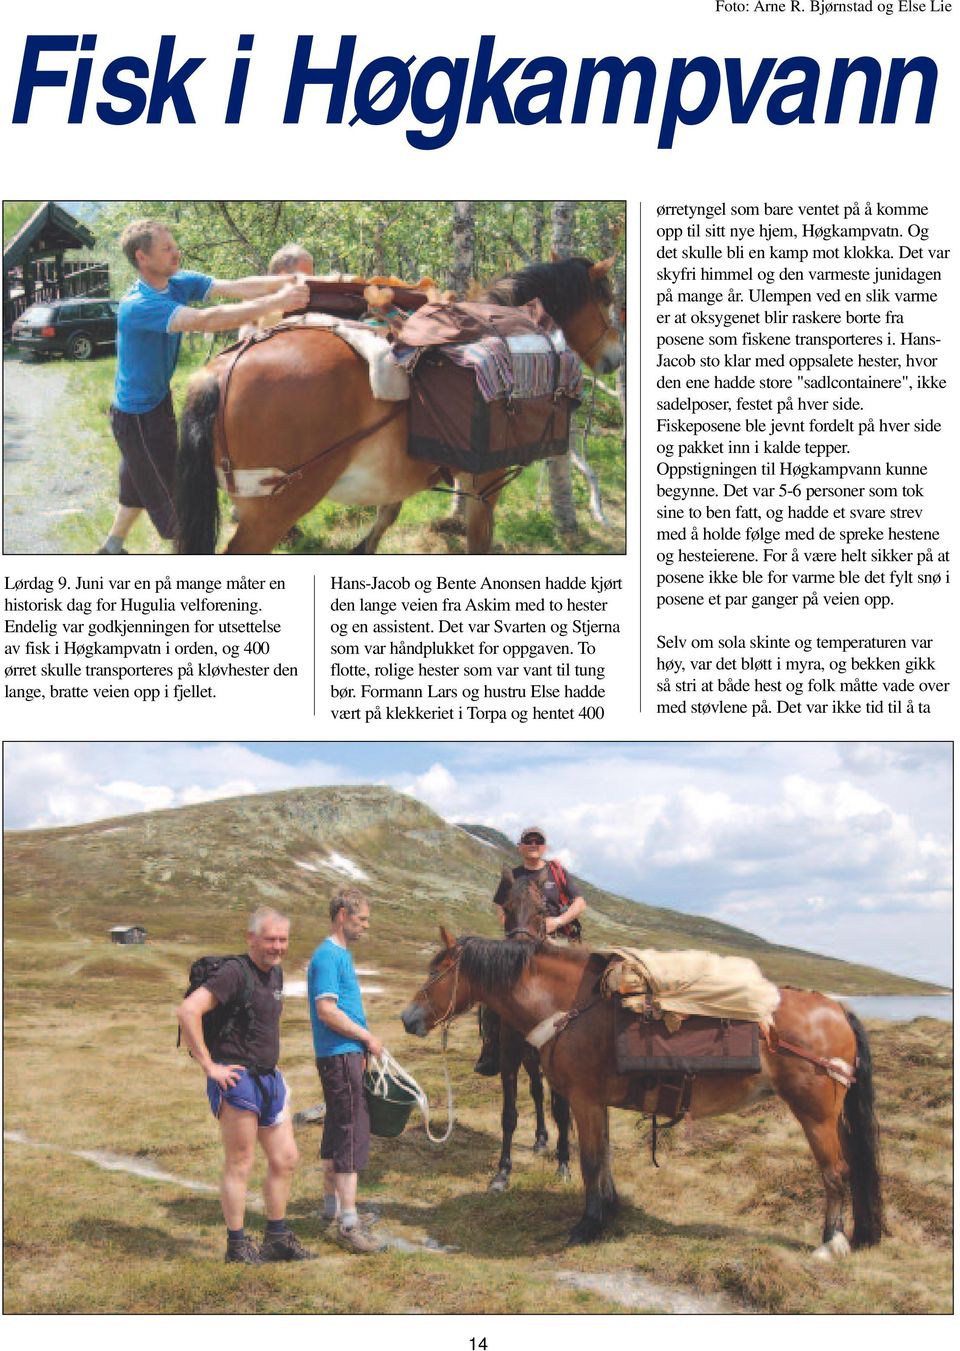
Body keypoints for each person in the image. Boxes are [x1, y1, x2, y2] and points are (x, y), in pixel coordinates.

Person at [98, 219, 310, 555]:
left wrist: (290, 282)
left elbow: (235, 287)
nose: (176, 252)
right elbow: (206, 320)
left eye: (174, 245)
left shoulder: (175, 282)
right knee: (178, 505)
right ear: (142, 257)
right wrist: (277, 301)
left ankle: (111, 547)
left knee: (138, 485)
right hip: (138, 419)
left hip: (154, 403)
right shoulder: (139, 305)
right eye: (166, 248)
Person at [177, 906, 315, 1265]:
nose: (277, 946)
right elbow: (188, 1011)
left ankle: (276, 1239)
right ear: (251, 938)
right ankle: (237, 1246)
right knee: (241, 1161)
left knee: (285, 1159)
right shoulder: (234, 972)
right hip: (237, 1079)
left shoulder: (277, 974)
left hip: (269, 1078)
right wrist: (210, 1066)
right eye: (270, 939)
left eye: (283, 939)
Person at [307, 888, 386, 1254]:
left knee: (339, 1127)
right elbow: (326, 1010)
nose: (365, 926)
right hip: (340, 1054)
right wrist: (366, 1037)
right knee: (352, 1131)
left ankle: (331, 1210)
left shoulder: (339, 955)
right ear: (342, 915)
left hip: (345, 1053)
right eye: (361, 919)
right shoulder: (327, 956)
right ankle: (349, 1223)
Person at [474, 826, 588, 1076]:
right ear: (520, 846)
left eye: (538, 841)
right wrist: (512, 926)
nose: (533, 844)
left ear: (544, 846)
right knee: (492, 989)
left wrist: (558, 922)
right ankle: (491, 1048)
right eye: (528, 840)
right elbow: (500, 906)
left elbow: (580, 903)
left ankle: (586, 1041)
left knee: (579, 985)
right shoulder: (513, 876)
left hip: (555, 940)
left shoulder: (556, 872)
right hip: (519, 942)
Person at [238, 243, 315, 338]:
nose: (310, 282)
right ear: (283, 276)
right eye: (305, 277)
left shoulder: (312, 297)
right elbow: (244, 336)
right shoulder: (255, 295)